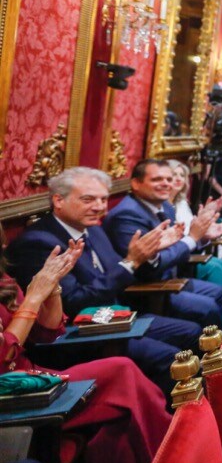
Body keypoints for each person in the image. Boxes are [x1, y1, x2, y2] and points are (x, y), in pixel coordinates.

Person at [5, 167, 202, 390]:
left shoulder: (92, 230)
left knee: (191, 332)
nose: (99, 207)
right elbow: (74, 302)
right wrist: (130, 262)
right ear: (58, 200)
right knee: (171, 358)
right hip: (78, 336)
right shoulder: (40, 243)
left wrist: (151, 251)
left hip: (115, 318)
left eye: (103, 199)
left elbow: (121, 273)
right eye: (88, 199)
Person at [0, 246, 171, 463]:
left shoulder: (3, 279)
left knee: (117, 427)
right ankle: (171, 461)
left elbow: (47, 330)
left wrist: (52, 287)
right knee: (121, 372)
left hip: (35, 379)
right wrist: (35, 297)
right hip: (13, 393)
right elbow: (4, 356)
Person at [104, 160, 222, 329]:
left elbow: (176, 246)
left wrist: (202, 237)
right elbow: (149, 267)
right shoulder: (127, 215)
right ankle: (211, 352)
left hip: (170, 278)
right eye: (157, 179)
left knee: (218, 292)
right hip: (146, 291)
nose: (166, 184)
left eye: (169, 180)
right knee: (207, 308)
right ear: (136, 183)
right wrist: (192, 238)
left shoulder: (165, 206)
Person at [166, 159, 222, 269]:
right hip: (186, 249)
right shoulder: (163, 205)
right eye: (174, 174)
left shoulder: (181, 203)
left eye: (182, 175)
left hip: (197, 243)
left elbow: (194, 226)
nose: (179, 178)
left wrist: (207, 218)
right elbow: (187, 231)